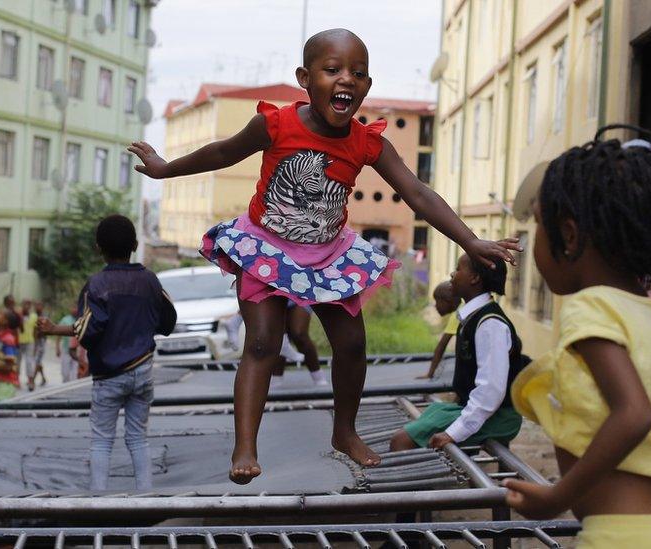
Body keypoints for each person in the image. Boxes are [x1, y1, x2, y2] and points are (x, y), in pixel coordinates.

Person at [127, 28, 518, 483]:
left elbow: (417, 193)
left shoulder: (367, 142)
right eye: (333, 70)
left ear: (367, 86)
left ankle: (344, 431)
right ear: (305, 78)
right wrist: (165, 169)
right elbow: (222, 152)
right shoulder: (275, 124)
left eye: (359, 73)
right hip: (267, 248)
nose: (347, 80)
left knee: (352, 345)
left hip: (328, 254)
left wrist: (470, 240)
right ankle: (245, 447)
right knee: (261, 343)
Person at [504, 126, 651, 548]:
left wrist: (557, 496)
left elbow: (633, 414)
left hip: (620, 536)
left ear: (569, 236)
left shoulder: (590, 309)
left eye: (539, 226)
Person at [38, 215, 177, 491]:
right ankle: (144, 499)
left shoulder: (97, 285)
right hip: (143, 370)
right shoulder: (150, 281)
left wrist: (55, 329)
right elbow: (167, 320)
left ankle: (98, 502)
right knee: (138, 438)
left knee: (102, 440)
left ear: (98, 248)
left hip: (109, 376)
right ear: (135, 244)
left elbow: (90, 330)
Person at [390, 255, 526, 451]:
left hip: (499, 417)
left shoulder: (489, 323)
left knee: (400, 441)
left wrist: (453, 432)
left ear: (474, 278)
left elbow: (491, 391)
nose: (452, 274)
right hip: (478, 408)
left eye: (458, 269)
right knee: (430, 416)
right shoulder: (472, 317)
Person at [271, 302, 328, 387]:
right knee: (280, 338)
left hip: (298, 293)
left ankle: (317, 374)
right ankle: (276, 378)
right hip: (275, 296)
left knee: (299, 334)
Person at [416, 281, 460, 380]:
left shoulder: (458, 315)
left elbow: (441, 346)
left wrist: (430, 374)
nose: (435, 306)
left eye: (437, 301)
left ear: (447, 300)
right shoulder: (462, 309)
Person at [18, 299, 38, 391]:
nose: (26, 306)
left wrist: (35, 343)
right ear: (22, 305)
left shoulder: (34, 316)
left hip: (30, 341)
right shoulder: (18, 315)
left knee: (29, 361)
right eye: (25, 304)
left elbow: (35, 330)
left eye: (28, 304)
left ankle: (30, 381)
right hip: (18, 341)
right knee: (17, 361)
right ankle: (16, 380)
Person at [55, 306, 79, 383]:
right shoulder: (65, 320)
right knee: (65, 373)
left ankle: (73, 391)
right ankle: (65, 386)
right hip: (66, 351)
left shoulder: (81, 319)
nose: (75, 310)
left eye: (76, 308)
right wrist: (57, 348)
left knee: (74, 374)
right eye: (73, 307)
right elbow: (58, 334)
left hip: (77, 352)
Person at [32, 301, 48, 387]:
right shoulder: (34, 316)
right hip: (35, 341)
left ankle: (32, 380)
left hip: (41, 341)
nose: (37, 307)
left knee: (37, 361)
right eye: (36, 305)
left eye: (39, 305)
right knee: (38, 361)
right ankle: (43, 378)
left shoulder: (44, 317)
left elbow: (43, 331)